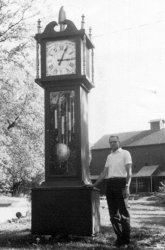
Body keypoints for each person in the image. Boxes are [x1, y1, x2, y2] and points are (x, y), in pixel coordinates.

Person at [93, 135, 132, 247]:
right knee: (113, 214)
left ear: (119, 142)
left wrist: (127, 186)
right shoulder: (109, 156)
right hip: (110, 184)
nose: (112, 144)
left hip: (121, 184)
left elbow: (129, 173)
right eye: (111, 142)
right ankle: (119, 239)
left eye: (114, 142)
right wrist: (94, 184)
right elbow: (104, 173)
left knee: (124, 214)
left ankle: (126, 240)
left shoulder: (125, 153)